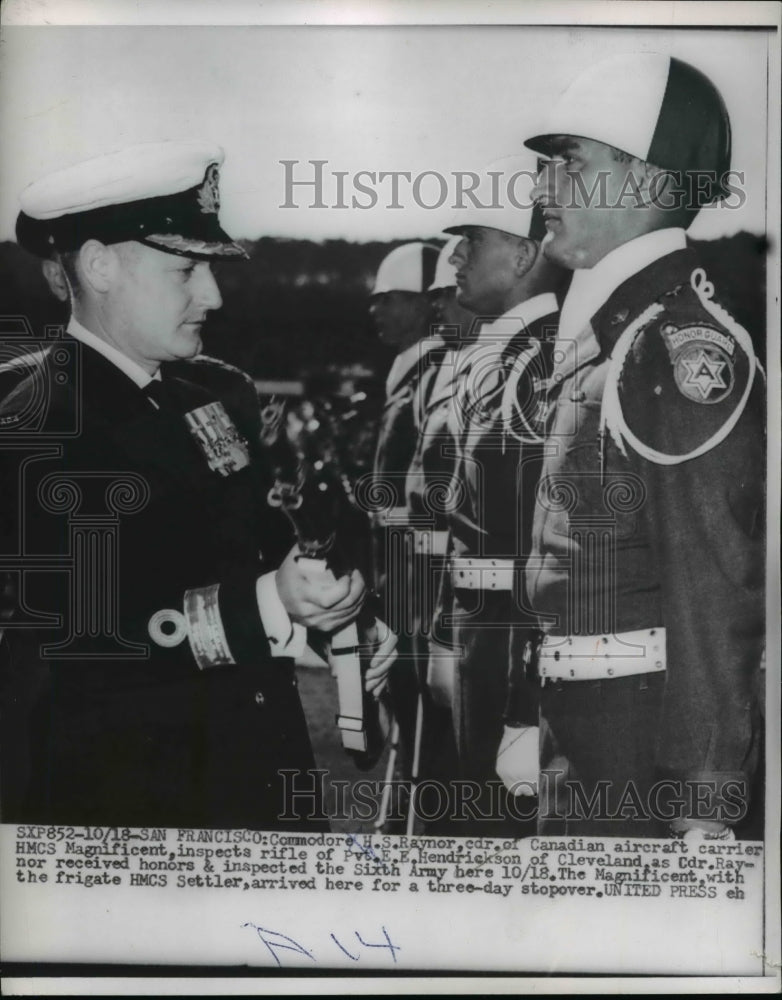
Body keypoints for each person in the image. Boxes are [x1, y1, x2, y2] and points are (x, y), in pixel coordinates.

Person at [0, 140, 392, 830]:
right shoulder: (38, 423)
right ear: (98, 267)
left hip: (250, 776)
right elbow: (89, 639)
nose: (212, 295)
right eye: (184, 270)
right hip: (132, 805)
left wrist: (332, 618)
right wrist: (273, 606)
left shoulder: (204, 397)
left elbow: (251, 555)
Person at [517, 54, 765, 838]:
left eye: (570, 163)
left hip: (642, 747)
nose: (541, 190)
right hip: (587, 731)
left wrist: (705, 800)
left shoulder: (674, 349)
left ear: (651, 182)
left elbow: (713, 584)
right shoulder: (611, 332)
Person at [435, 160, 567, 834]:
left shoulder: (542, 360)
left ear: (520, 253)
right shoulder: (505, 353)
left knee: (498, 822)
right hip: (479, 629)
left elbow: (540, 530)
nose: (455, 257)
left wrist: (524, 686)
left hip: (510, 642)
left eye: (472, 241)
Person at [365, 241, 442, 796]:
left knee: (420, 719)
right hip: (402, 572)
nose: (375, 310)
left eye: (388, 299)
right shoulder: (410, 371)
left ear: (425, 304)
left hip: (416, 581)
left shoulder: (431, 376)